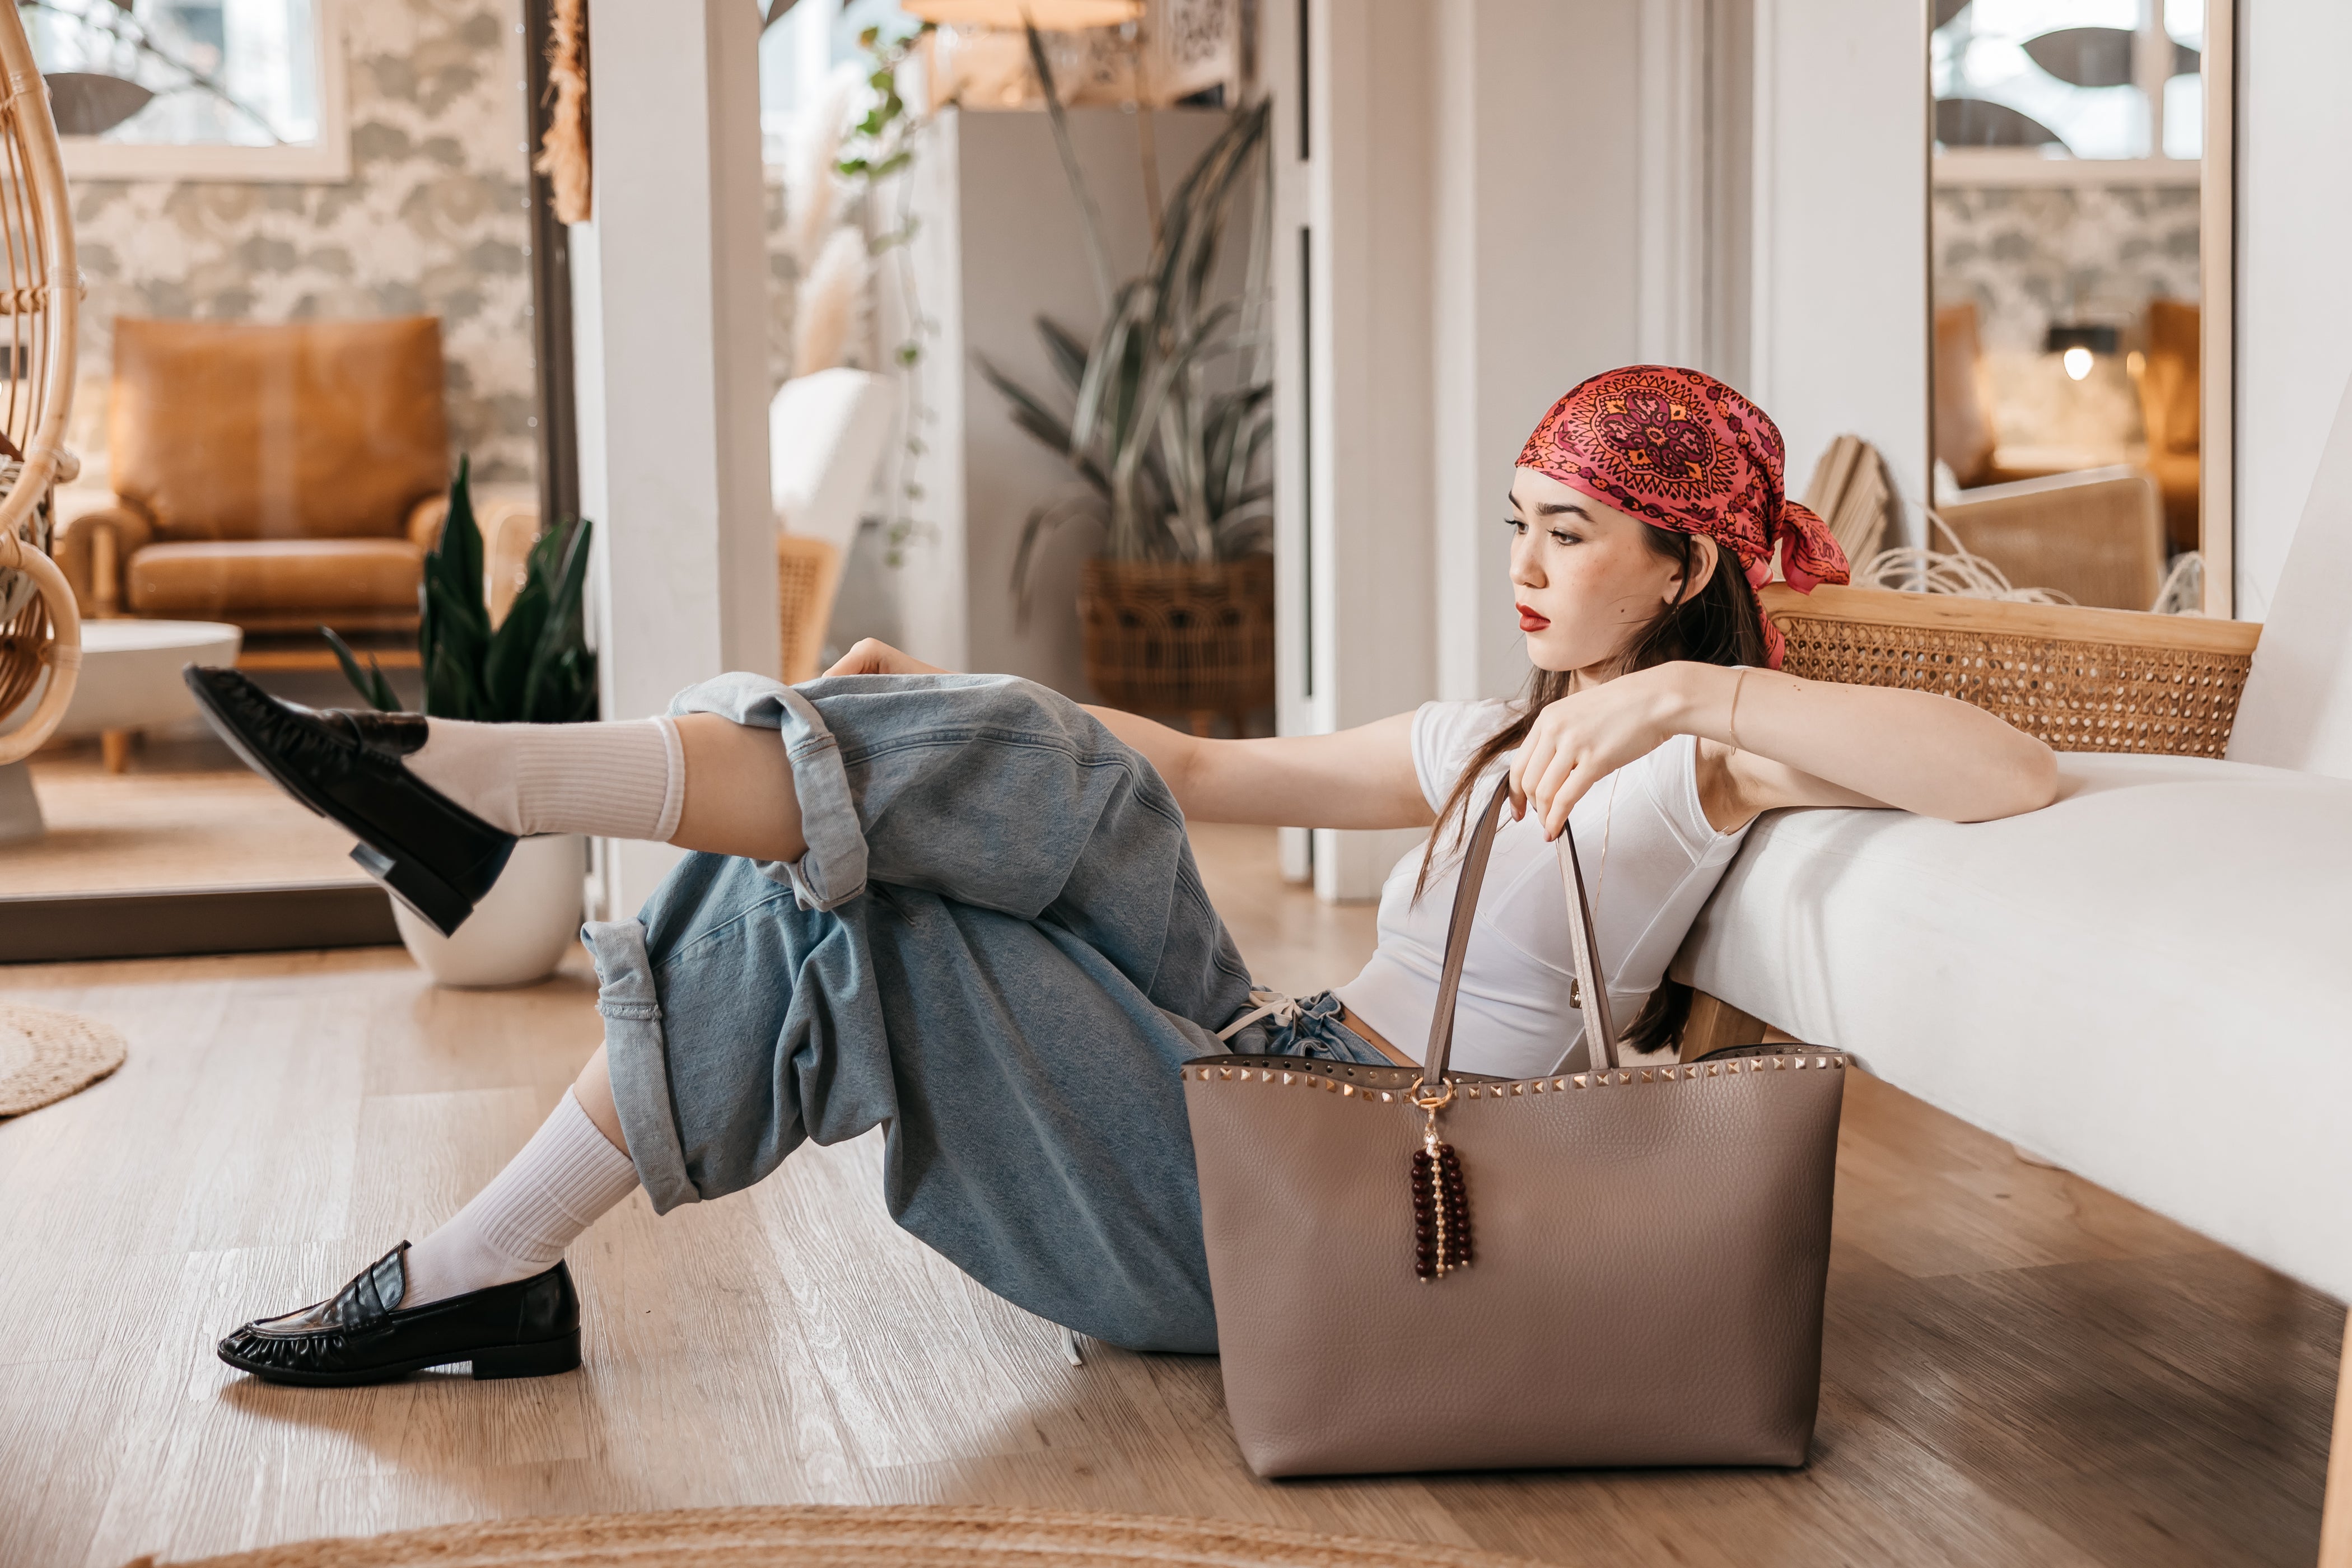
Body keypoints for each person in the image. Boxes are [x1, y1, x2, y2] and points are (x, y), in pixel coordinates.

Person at [192, 365, 2057, 1387]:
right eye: (1516, 523)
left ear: (1679, 567)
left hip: (1332, 1222)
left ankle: (494, 812)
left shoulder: (1704, 745)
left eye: (1569, 534)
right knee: (996, 789)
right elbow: (1191, 768)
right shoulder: (1483, 742)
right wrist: (941, 701)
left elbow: (2008, 770)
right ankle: (482, 1261)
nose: (1526, 563)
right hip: (1265, 1079)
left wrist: (1699, 702)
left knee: (887, 865)